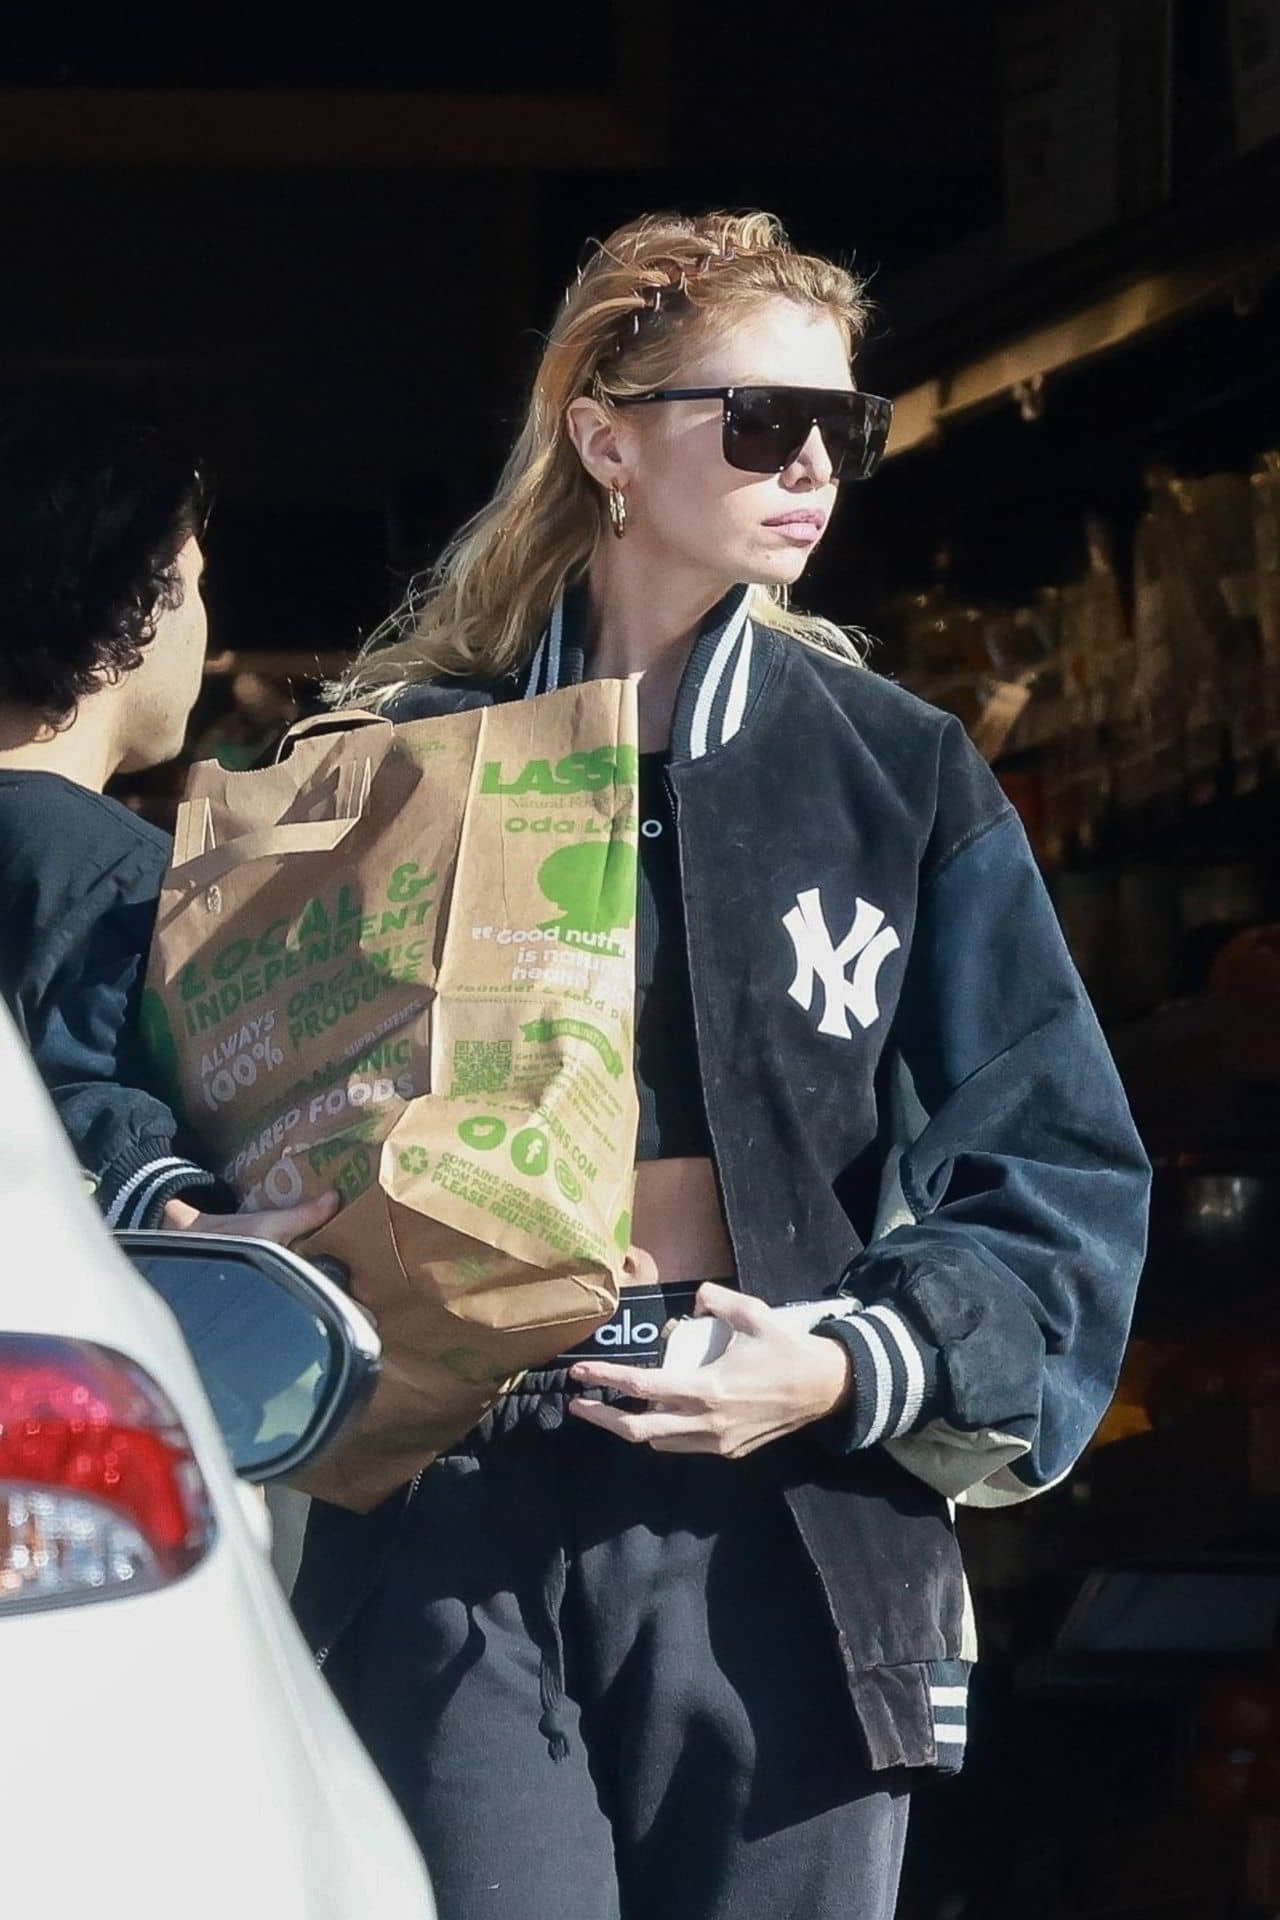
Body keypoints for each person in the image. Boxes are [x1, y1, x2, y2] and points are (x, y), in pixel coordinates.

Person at [294, 212, 1150, 1920]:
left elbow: (1057, 1159)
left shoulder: (892, 772)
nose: (814, 466)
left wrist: (847, 1366)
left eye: (847, 426)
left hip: (791, 1500)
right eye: (761, 421)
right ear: (606, 437)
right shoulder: (394, 763)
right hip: (462, 1486)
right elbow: (230, 1102)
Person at [0, 383, 335, 1242]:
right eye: (196, 580)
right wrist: (172, 1208)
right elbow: (82, 1088)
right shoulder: (109, 874)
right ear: (140, 598)